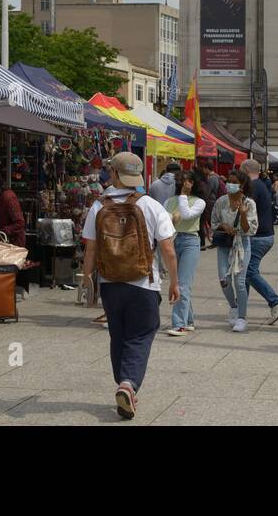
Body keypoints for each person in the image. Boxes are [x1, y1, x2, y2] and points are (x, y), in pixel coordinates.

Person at [81, 151, 178, 420]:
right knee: (141, 334)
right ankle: (128, 384)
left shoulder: (99, 206)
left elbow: (90, 248)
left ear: (113, 174)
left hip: (110, 283)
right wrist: (175, 282)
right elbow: (168, 249)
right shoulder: (151, 205)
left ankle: (123, 384)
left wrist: (88, 282)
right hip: (143, 283)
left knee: (119, 335)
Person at [241, 160, 278, 322]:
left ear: (246, 170)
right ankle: (241, 308)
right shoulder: (261, 184)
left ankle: (275, 302)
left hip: (258, 236)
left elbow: (245, 210)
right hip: (265, 235)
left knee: (249, 272)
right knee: (246, 272)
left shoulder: (253, 187)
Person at [210, 174, 256, 331]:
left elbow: (250, 229)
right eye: (228, 181)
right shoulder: (221, 201)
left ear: (242, 185)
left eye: (234, 182)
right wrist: (225, 226)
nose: (230, 184)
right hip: (225, 244)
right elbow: (214, 223)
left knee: (240, 281)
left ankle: (242, 318)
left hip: (242, 244)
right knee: (224, 279)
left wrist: (243, 213)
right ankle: (234, 306)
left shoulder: (249, 203)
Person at [164, 171, 206, 336]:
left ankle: (179, 324)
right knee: (181, 283)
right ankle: (188, 320)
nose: (184, 184)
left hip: (190, 241)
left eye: (188, 181)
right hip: (173, 240)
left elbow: (187, 215)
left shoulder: (199, 202)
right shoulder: (169, 201)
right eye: (182, 181)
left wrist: (183, 195)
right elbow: (164, 219)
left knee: (182, 284)